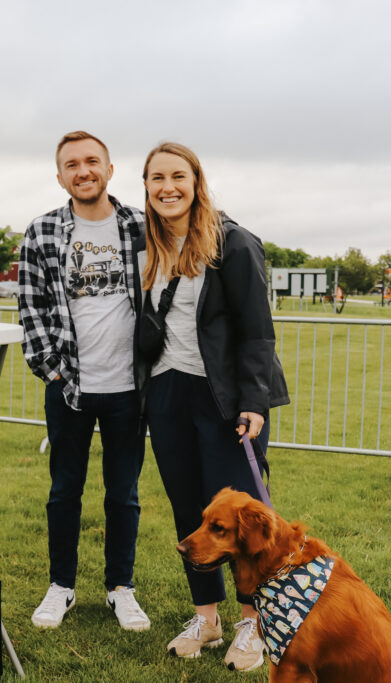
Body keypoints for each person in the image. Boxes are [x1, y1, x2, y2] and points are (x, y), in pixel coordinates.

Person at [138, 142, 289, 672]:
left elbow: (256, 331)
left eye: (177, 176)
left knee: (241, 521)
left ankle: (253, 623)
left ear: (196, 181)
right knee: (191, 514)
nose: (167, 187)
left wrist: (254, 401)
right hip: (168, 391)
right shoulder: (150, 244)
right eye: (156, 178)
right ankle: (207, 618)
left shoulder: (234, 244)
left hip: (225, 398)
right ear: (147, 187)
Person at [18, 131, 149, 632]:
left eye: (92, 161)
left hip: (129, 386)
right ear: (60, 177)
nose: (83, 170)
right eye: (71, 164)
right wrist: (51, 369)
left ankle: (122, 589)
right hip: (69, 383)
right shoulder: (43, 231)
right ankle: (61, 587)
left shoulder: (140, 226)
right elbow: (30, 308)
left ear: (110, 170)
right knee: (64, 490)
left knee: (124, 493)